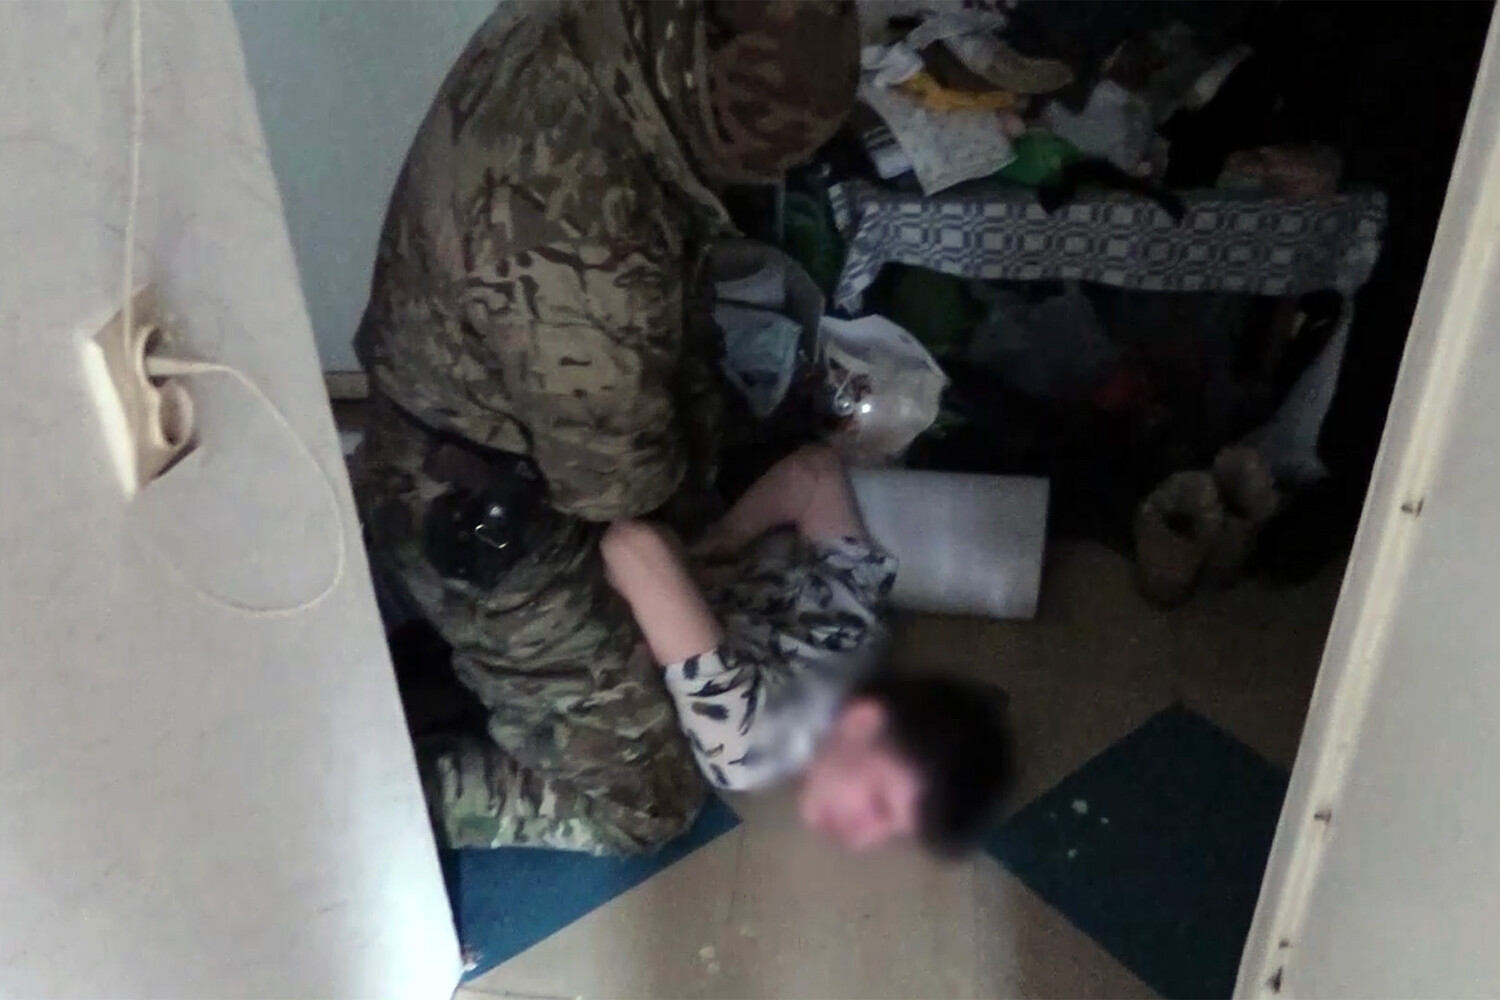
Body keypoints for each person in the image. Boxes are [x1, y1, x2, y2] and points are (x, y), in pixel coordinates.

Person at [349, 0, 860, 855]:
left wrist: (704, 551)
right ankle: (368, 799)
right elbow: (621, 519)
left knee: (662, 585)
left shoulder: (613, 28)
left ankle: (454, 644)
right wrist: (683, 575)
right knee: (647, 801)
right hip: (485, 509)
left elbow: (793, 478)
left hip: (484, 419)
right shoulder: (581, 242)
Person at [602, 446, 1012, 854]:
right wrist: (706, 555)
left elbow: (816, 472)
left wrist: (723, 541)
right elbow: (629, 546)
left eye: (889, 829)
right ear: (864, 723)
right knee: (640, 821)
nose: (863, 840)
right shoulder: (748, 743)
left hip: (668, 525)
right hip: (600, 552)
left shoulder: (859, 627)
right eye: (879, 804)